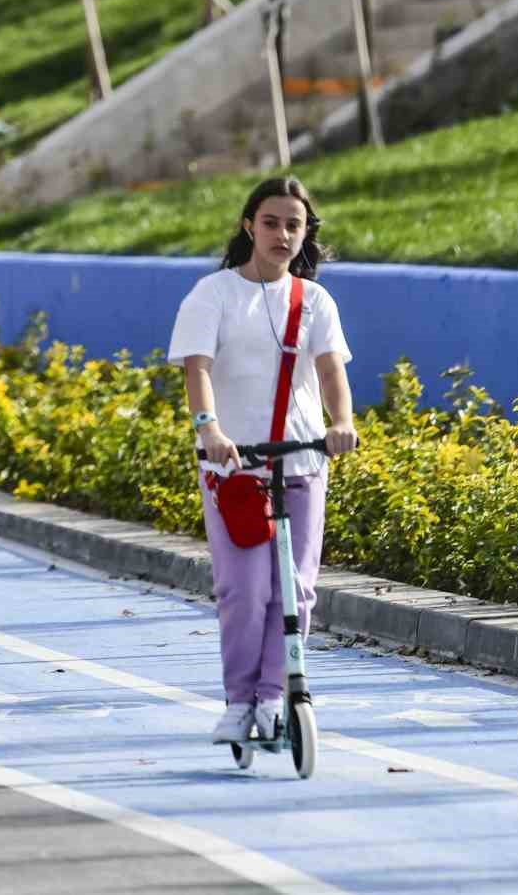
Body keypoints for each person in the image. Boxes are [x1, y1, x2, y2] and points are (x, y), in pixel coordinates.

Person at [167, 176, 358, 745]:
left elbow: (331, 371)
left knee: (296, 590)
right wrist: (210, 430)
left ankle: (275, 696)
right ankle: (239, 700)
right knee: (244, 592)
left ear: (305, 233)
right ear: (249, 225)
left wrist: (341, 423)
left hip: (301, 463)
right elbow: (197, 368)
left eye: (293, 225)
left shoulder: (314, 301)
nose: (282, 234)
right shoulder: (213, 294)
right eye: (271, 222)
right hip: (235, 470)